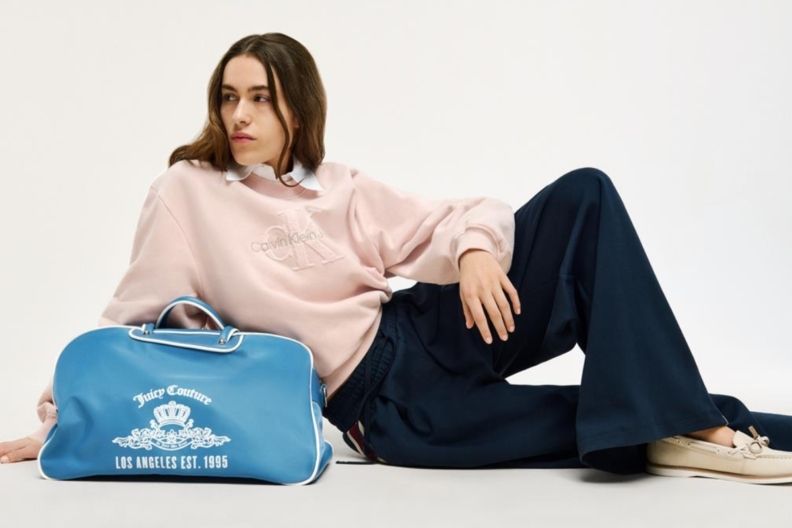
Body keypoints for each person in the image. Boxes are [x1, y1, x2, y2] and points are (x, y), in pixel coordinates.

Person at [2, 33, 792, 485]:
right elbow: (131, 325)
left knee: (584, 195)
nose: (239, 114)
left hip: (427, 327)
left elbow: (462, 214)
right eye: (229, 96)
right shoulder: (186, 194)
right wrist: (63, 419)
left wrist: (475, 253)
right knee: (596, 416)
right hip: (387, 409)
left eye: (261, 97)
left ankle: (689, 424)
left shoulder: (335, 185)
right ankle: (707, 425)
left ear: (297, 107)